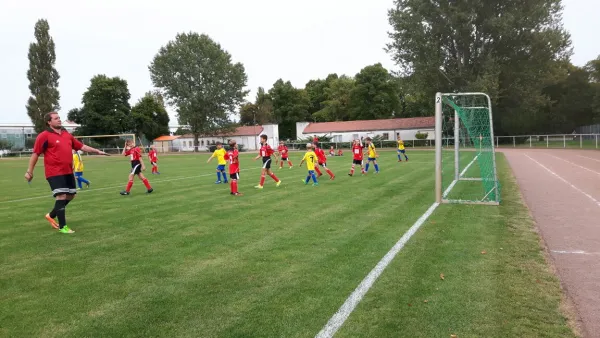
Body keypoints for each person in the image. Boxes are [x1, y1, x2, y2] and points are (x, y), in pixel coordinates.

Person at [24, 112, 107, 234]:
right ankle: (63, 227)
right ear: (49, 122)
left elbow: (82, 146)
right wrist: (29, 171)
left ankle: (51, 215)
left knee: (71, 195)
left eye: (59, 118)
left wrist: (97, 151)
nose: (59, 120)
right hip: (54, 172)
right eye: (56, 118)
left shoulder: (66, 135)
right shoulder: (44, 136)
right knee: (61, 196)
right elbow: (35, 154)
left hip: (68, 171)